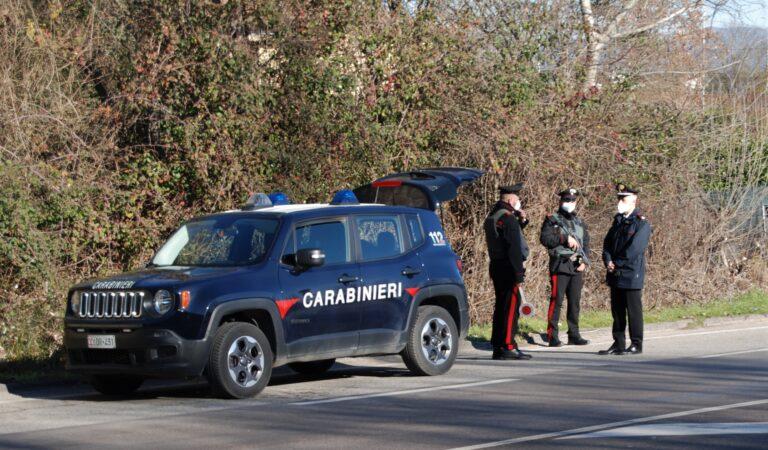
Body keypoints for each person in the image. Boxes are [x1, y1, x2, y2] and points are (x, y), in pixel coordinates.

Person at [599, 183, 652, 355]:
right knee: (617, 311)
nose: (620, 202)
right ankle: (618, 343)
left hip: (631, 273)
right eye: (619, 198)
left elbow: (635, 249)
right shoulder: (618, 221)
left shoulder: (641, 223)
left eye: (623, 199)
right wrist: (608, 260)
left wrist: (618, 263)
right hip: (615, 272)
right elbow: (607, 244)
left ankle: (636, 343)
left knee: (633, 312)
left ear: (633, 201)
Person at [483, 183, 532, 360]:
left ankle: (497, 345)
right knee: (511, 307)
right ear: (512, 200)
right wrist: (518, 274)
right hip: (509, 268)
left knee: (501, 307)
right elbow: (513, 247)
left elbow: (504, 236)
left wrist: (521, 221)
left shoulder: (494, 215)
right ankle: (508, 345)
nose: (518, 202)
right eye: (517, 199)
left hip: (496, 266)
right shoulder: (508, 218)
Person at [539, 188, 591, 347]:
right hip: (560, 265)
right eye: (566, 200)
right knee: (557, 301)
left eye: (572, 201)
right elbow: (545, 239)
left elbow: (586, 244)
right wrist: (563, 238)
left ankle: (574, 334)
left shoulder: (580, 222)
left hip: (576, 266)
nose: (569, 203)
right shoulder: (552, 220)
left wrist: (584, 261)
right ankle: (552, 336)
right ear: (561, 201)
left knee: (575, 302)